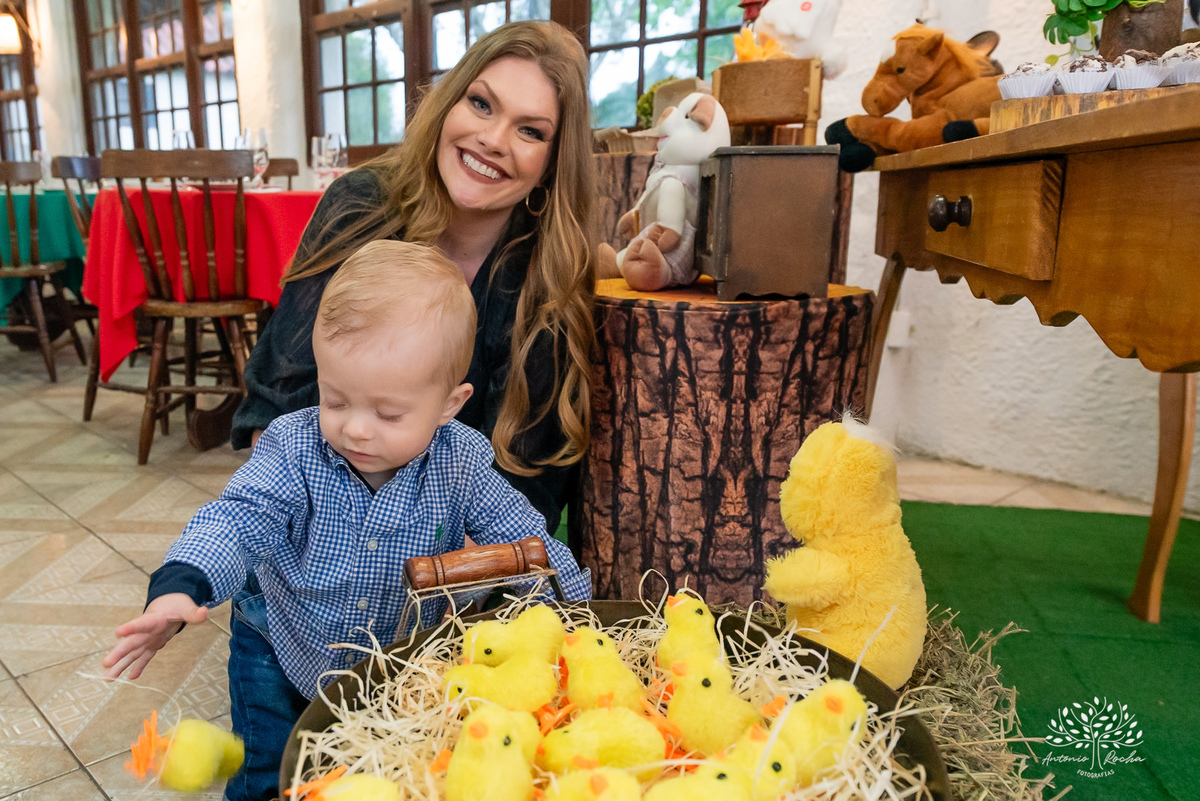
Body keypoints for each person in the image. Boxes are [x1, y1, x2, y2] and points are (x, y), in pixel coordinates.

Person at [102, 241, 592, 801]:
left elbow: (525, 541)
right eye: (335, 400)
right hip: (279, 644)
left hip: (392, 661)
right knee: (268, 768)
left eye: (388, 413)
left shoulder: (462, 461)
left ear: (449, 404)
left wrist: (578, 620)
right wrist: (180, 587)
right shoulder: (293, 448)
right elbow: (238, 519)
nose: (356, 428)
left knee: (369, 770)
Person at [232, 20, 597, 533]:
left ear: (553, 163)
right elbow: (277, 401)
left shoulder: (551, 269)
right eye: (481, 104)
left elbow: (530, 476)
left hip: (460, 550)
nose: (492, 139)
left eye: (530, 131)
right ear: (447, 104)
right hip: (319, 522)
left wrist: (447, 565)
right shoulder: (359, 206)